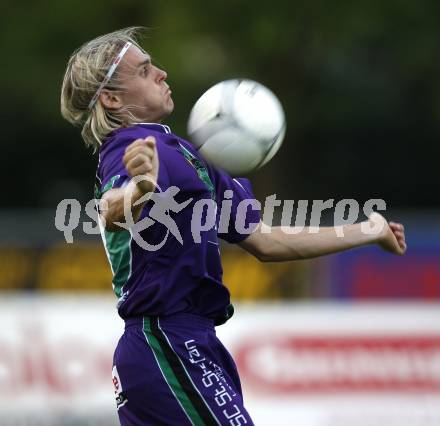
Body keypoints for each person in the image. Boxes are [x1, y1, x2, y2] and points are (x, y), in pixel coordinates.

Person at [60, 27, 406, 426]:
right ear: (112, 98)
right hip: (167, 343)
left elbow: (266, 240)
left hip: (188, 344)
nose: (162, 74)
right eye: (144, 71)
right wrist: (139, 188)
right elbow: (109, 209)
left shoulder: (188, 157)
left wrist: (368, 230)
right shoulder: (130, 145)